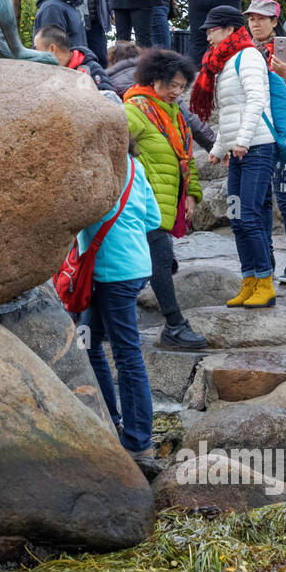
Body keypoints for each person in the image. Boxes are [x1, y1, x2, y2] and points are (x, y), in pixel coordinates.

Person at [77, 139, 162, 473]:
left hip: (114, 274)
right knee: (88, 339)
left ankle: (139, 442)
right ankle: (110, 419)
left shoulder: (96, 170)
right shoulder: (135, 167)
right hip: (131, 268)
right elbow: (153, 218)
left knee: (127, 355)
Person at [190, 5, 276, 308]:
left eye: (211, 30)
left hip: (258, 147)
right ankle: (249, 280)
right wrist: (218, 149)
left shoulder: (248, 56)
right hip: (239, 150)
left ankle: (265, 283)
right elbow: (229, 113)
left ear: (228, 29)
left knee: (250, 216)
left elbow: (256, 100)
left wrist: (241, 141)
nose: (207, 36)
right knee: (238, 219)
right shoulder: (223, 63)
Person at [125, 49, 209, 349]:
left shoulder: (173, 113)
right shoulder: (135, 110)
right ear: (154, 79)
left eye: (182, 85)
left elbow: (185, 157)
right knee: (160, 262)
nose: (177, 91)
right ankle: (174, 325)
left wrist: (193, 195)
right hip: (144, 204)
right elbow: (113, 146)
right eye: (171, 84)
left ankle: (95, 324)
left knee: (154, 263)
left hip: (167, 202)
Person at [245, 0, 286, 283]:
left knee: (285, 195)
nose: (254, 23)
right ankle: (266, 257)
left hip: (282, 132)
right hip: (256, 130)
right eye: (251, 18)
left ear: (274, 22)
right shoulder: (245, 49)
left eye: (261, 18)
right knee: (259, 199)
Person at [33, 25, 118, 99]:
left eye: (37, 49)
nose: (36, 55)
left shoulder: (90, 68)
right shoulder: (50, 75)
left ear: (52, 49)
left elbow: (109, 98)